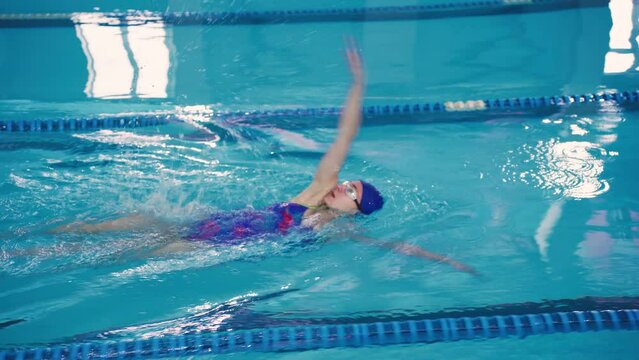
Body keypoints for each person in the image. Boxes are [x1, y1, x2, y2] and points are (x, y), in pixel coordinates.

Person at [52, 40, 475, 274]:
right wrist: (359, 84)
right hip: (211, 224)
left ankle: (19, 257)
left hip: (216, 240)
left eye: (352, 191)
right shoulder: (316, 192)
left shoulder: (336, 231)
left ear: (356, 210)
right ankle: (36, 238)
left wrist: (442, 259)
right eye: (349, 182)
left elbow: (390, 245)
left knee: (121, 253)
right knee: (101, 231)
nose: (343, 186)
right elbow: (343, 141)